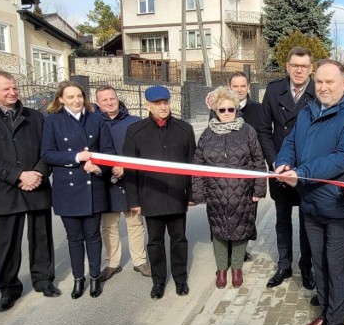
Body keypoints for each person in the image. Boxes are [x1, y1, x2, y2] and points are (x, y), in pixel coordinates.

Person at [276, 59, 344, 325]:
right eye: (320, 82)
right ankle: (327, 314)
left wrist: (301, 172)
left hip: (340, 205)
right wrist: (282, 161)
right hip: (311, 203)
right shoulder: (307, 111)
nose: (324, 87)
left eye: (330, 82)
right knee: (319, 264)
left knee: (338, 268)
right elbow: (290, 141)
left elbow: (343, 158)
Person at [0, 70, 60, 312]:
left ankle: (44, 280)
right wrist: (18, 176)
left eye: (14, 88)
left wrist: (38, 173)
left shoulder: (35, 117)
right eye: (6, 89)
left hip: (37, 186)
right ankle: (8, 289)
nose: (13, 92)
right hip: (3, 190)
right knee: (6, 243)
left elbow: (48, 149)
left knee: (41, 237)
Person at [42, 81, 115, 299]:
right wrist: (76, 157)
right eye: (71, 97)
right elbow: (47, 154)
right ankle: (78, 279)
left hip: (93, 186)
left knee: (93, 236)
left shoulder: (96, 119)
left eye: (79, 96)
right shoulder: (52, 121)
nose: (76, 100)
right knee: (74, 238)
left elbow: (108, 150)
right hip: (67, 189)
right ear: (61, 99)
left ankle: (94, 278)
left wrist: (98, 166)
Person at [123, 85, 196, 300]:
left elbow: (192, 164)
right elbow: (130, 169)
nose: (163, 107)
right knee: (154, 241)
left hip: (176, 195)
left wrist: (191, 194)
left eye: (165, 102)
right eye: (157, 104)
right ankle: (158, 281)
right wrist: (134, 199)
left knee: (179, 238)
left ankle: (180, 278)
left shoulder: (184, 129)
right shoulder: (135, 131)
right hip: (150, 196)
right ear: (148, 105)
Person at [192, 87, 266, 288]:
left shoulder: (248, 131)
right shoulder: (207, 134)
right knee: (219, 231)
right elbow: (198, 165)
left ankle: (237, 268)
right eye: (222, 110)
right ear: (215, 111)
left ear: (236, 109)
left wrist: (259, 190)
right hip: (215, 194)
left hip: (242, 193)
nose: (226, 113)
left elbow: (258, 161)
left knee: (240, 230)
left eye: (230, 109)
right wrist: (198, 192)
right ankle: (221, 269)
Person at [257, 47, 315, 290]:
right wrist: (275, 162)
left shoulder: (318, 91)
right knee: (282, 219)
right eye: (294, 65)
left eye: (304, 66)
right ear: (287, 66)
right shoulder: (273, 90)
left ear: (311, 68)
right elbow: (263, 130)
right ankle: (284, 265)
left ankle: (306, 267)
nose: (299, 70)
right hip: (280, 167)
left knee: (307, 221)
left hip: (306, 169)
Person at [94, 86, 150, 281]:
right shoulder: (93, 123)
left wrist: (126, 167)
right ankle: (112, 263)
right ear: (98, 104)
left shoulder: (134, 122)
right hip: (105, 182)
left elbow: (144, 151)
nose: (109, 102)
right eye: (104, 100)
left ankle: (140, 261)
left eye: (112, 98)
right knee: (109, 226)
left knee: (135, 223)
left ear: (118, 99)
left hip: (131, 180)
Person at [229, 71, 263, 262]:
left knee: (247, 213)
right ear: (230, 87)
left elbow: (263, 136)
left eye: (243, 86)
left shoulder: (258, 109)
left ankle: (241, 248)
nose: (240, 90)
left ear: (249, 87)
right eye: (236, 86)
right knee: (229, 212)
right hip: (227, 172)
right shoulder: (221, 108)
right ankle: (229, 249)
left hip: (249, 171)